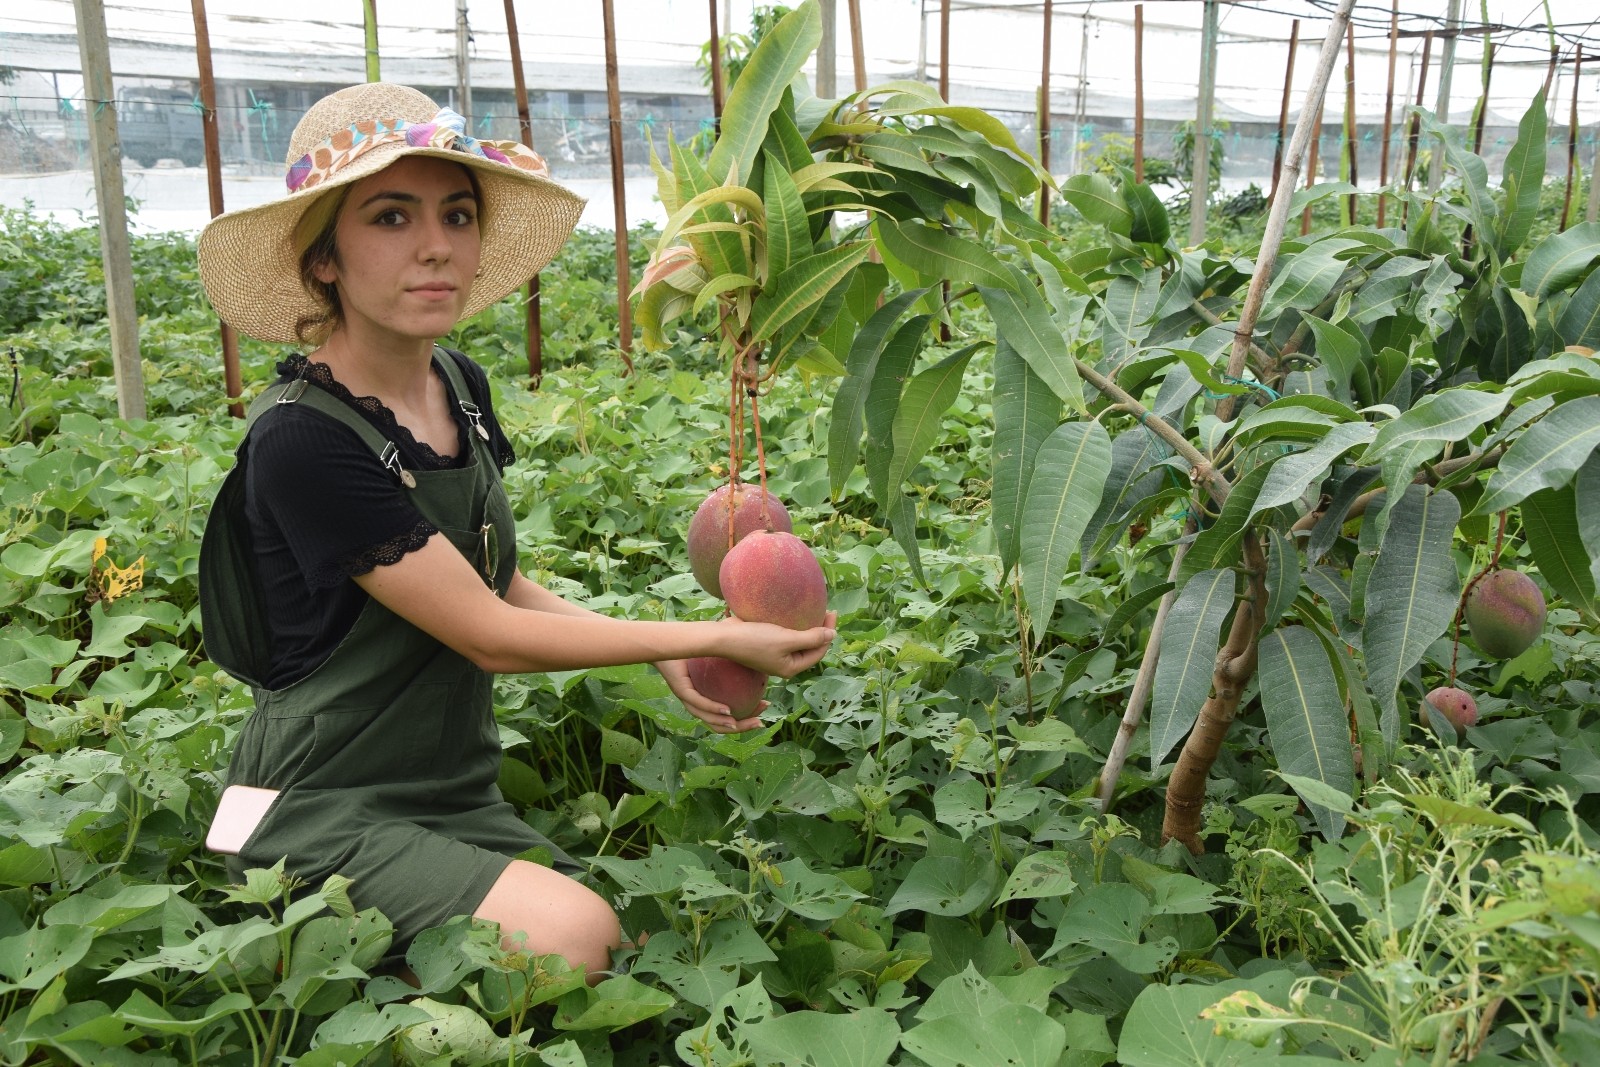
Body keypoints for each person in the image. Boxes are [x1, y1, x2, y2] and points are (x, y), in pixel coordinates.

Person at [195, 83, 835, 980]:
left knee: (632, 940)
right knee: (578, 940)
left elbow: (490, 583)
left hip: (446, 791)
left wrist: (656, 654)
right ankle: (320, 968)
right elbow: (488, 635)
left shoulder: (455, 382)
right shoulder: (302, 437)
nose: (435, 246)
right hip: (315, 803)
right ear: (324, 260)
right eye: (389, 217)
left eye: (458, 215)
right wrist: (715, 634)